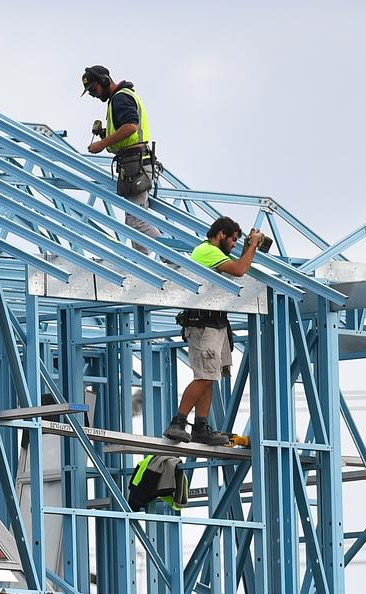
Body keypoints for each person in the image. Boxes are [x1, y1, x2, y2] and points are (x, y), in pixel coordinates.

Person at [163, 217, 264, 445]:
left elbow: (238, 265)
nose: (235, 245)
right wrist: (253, 247)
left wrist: (249, 249)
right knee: (204, 376)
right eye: (233, 240)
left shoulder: (217, 255)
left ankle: (201, 426)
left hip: (215, 324)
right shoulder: (206, 251)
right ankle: (177, 422)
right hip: (203, 325)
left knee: (209, 378)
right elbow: (239, 269)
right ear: (221, 234)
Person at [81, 65, 162, 249]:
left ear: (104, 81)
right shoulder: (119, 98)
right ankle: (144, 267)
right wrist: (104, 134)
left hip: (136, 163)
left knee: (137, 222)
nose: (94, 94)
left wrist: (102, 144)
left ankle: (172, 260)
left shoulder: (120, 98)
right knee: (133, 221)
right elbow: (125, 134)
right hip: (133, 163)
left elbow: (131, 127)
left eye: (94, 89)